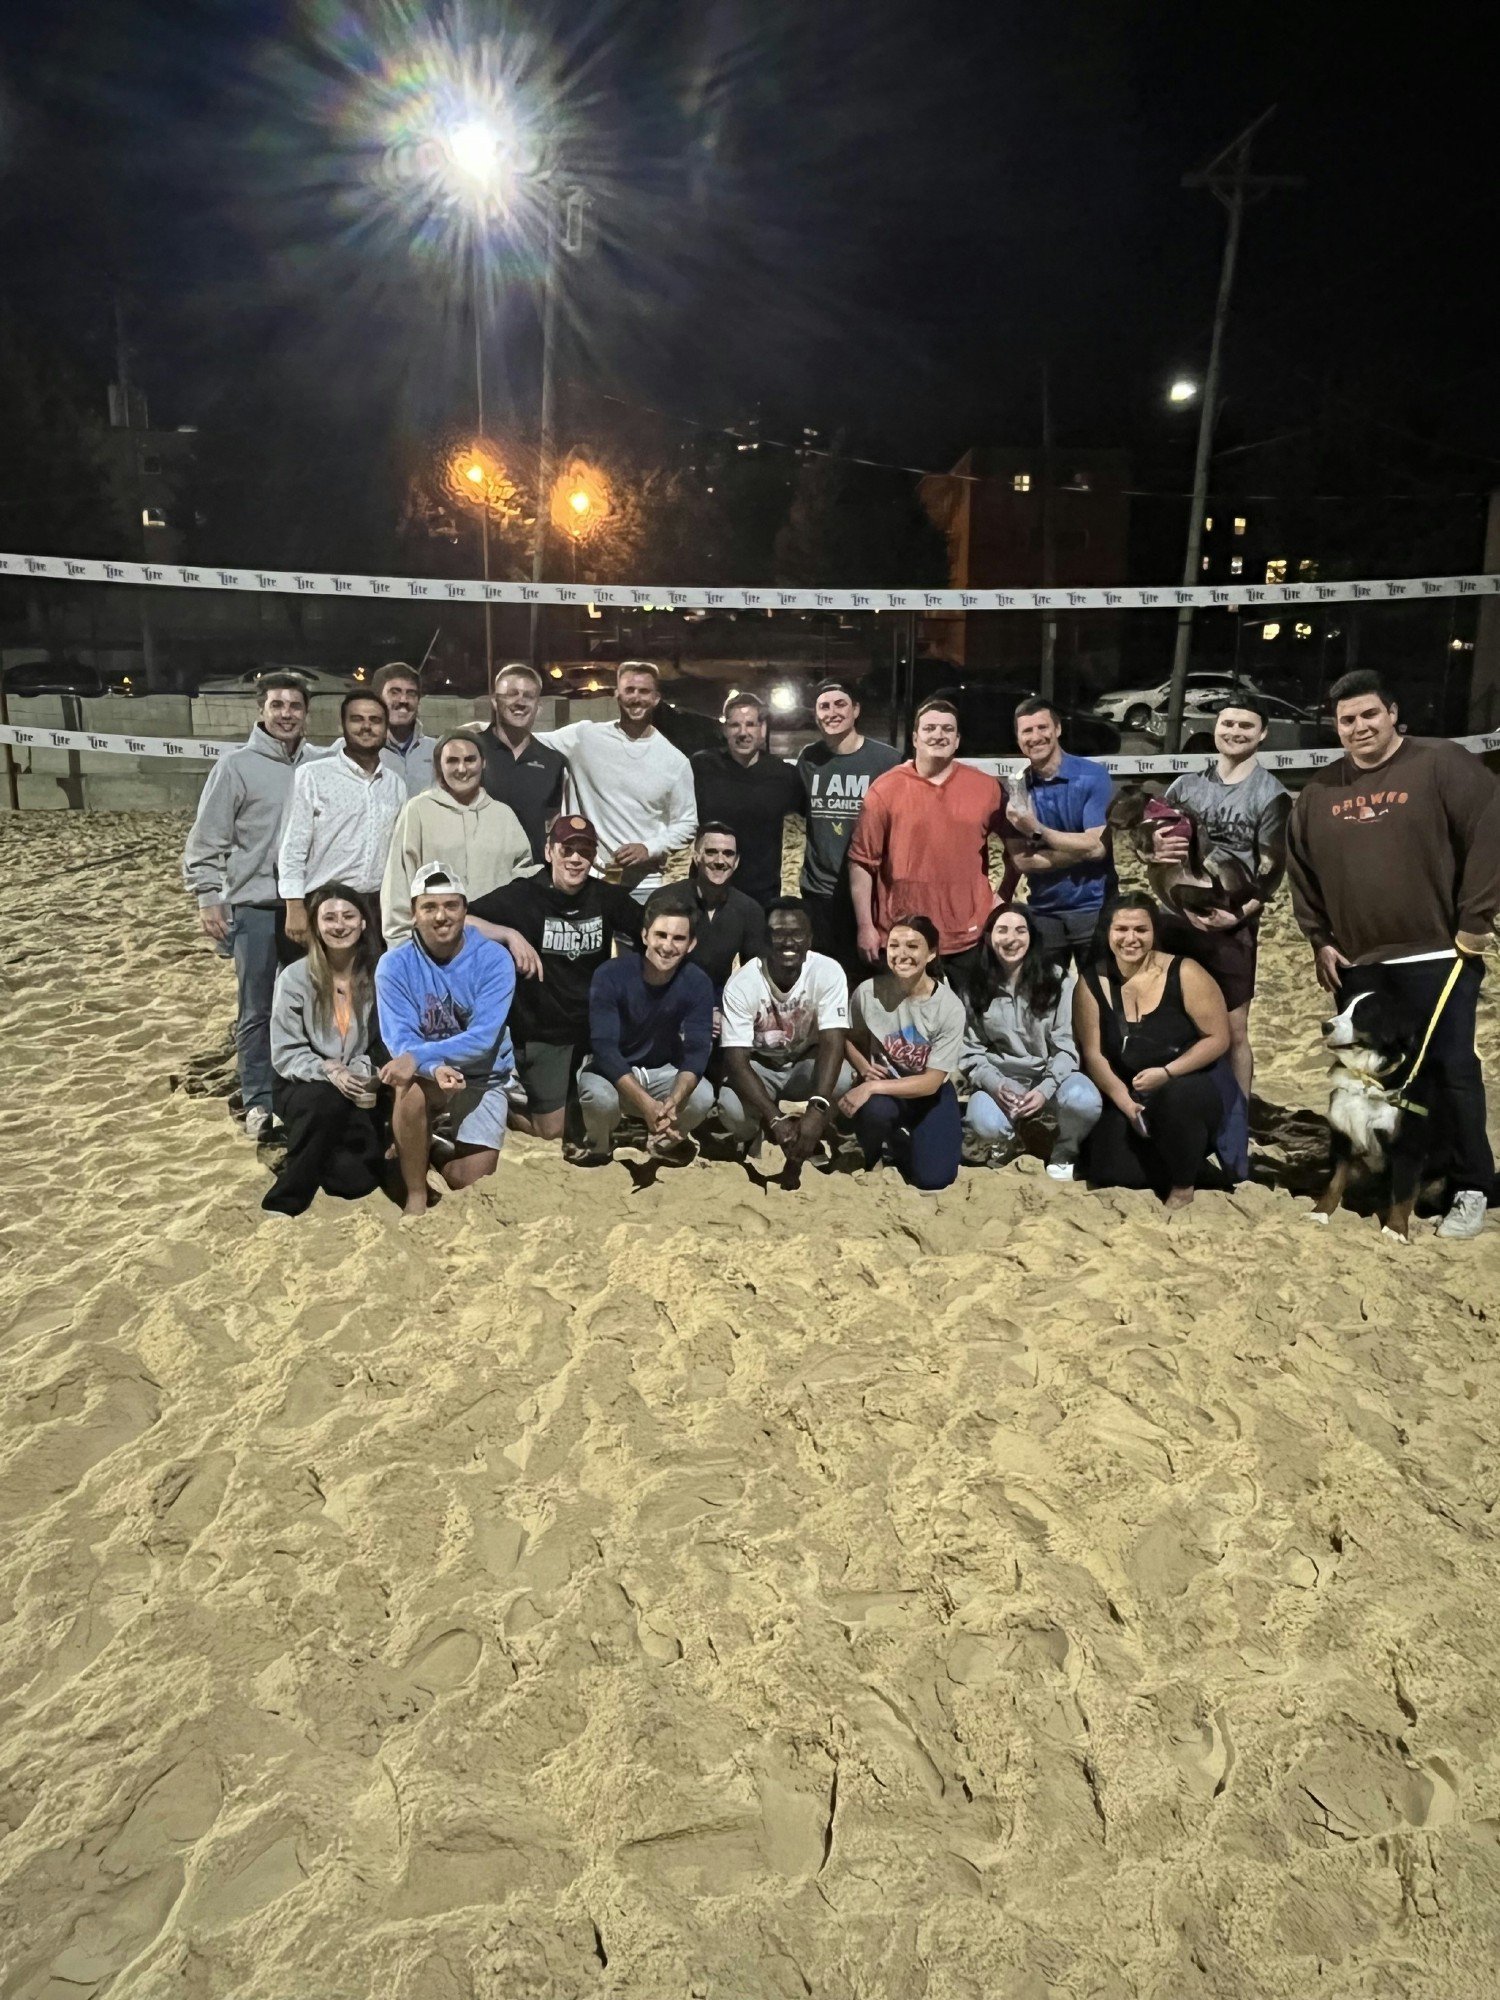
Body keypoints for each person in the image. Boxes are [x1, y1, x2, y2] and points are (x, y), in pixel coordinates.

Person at [1287, 668, 1500, 1239]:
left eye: (1369, 715)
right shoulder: (1319, 792)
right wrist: (1319, 937)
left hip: (1439, 952)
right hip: (1360, 962)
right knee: (1367, 1078)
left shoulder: (1442, 763)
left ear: (1392, 713)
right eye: (1346, 720)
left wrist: (1476, 917)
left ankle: (1472, 1184)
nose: (1359, 727)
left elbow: (1490, 831)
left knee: (1451, 1071)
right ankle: (1388, 1174)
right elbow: (1301, 872)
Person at [183, 670, 323, 1140]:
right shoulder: (236, 766)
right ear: (261, 710)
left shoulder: (319, 765)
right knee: (256, 1008)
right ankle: (259, 1099)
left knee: (306, 1003)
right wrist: (209, 897)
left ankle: (296, 1090)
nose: (286, 714)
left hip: (306, 904)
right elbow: (207, 841)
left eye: (295, 706)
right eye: (277, 705)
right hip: (256, 905)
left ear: (306, 713)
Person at [1148, 698, 1291, 1102]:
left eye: (1246, 726)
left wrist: (1237, 917)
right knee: (1171, 1021)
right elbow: (1152, 849)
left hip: (1232, 927)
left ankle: (1236, 1117)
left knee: (1233, 1030)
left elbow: (1272, 870)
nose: (1235, 732)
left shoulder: (1271, 795)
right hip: (1175, 921)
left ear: (1262, 734)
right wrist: (1152, 846)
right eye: (1227, 723)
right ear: (1216, 728)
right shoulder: (1184, 786)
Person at [467, 815, 643, 1142]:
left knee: (602, 1108)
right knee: (552, 1131)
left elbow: (651, 930)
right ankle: (500, 1097)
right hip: (543, 1031)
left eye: (585, 851)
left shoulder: (605, 897)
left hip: (592, 1028)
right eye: (567, 849)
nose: (576, 859)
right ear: (549, 852)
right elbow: (462, 918)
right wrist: (508, 934)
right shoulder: (524, 895)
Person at [374, 864, 517, 1215]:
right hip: (427, 1074)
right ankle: (416, 1194)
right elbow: (399, 1037)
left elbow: (483, 1037)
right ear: (413, 913)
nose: (441, 916)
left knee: (469, 1178)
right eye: (429, 907)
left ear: (465, 909)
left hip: (483, 1074)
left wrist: (421, 1057)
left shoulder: (494, 959)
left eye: (451, 905)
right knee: (409, 1090)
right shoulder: (393, 965)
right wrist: (433, 1065)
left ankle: (433, 1147)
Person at [848, 698, 1015, 997]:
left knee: (971, 1028)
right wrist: (866, 926)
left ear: (958, 739)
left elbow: (1016, 848)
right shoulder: (884, 789)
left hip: (969, 936)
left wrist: (1002, 899)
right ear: (914, 738)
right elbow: (862, 862)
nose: (938, 735)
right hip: (903, 935)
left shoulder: (986, 788)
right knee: (907, 1033)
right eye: (930, 728)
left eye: (947, 729)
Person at [1073, 894, 1231, 1209]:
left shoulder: (1184, 972)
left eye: (1140, 930)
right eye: (1121, 929)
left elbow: (1218, 1037)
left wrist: (1168, 1073)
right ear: (1108, 932)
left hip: (1187, 1086)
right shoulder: (1090, 983)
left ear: (1153, 932)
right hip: (1131, 1093)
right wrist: (1124, 1101)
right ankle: (1187, 1166)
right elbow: (1093, 1055)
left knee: (1177, 1098)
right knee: (1109, 1172)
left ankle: (1184, 1185)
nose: (1130, 938)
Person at [262, 882, 386, 1216]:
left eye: (348, 915)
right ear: (316, 925)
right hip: (301, 1082)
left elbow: (380, 1041)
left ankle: (295, 1146)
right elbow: (286, 1051)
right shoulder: (294, 977)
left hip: (357, 1082)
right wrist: (330, 1070)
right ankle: (287, 1198)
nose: (340, 925)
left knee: (353, 1181)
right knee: (325, 1100)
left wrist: (359, 1072)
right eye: (329, 918)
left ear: (363, 923)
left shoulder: (378, 975)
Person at [962, 903, 1102, 1179]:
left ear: (1032, 938)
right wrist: (995, 1083)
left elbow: (1066, 1046)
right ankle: (1013, 1142)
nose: (1011, 939)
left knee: (1085, 1101)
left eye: (1020, 930)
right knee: (983, 1122)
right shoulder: (974, 987)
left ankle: (1064, 1150)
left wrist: (1045, 1088)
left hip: (1052, 1075)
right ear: (989, 937)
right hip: (1003, 1080)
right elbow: (971, 1051)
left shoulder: (1059, 980)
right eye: (1002, 930)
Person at [539, 661, 697, 901]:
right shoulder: (584, 738)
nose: (636, 698)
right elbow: (527, 742)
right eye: (629, 690)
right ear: (617, 695)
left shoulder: (675, 761)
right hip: (585, 875)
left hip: (644, 883)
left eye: (644, 691)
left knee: (644, 938)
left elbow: (687, 822)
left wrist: (649, 848)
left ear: (656, 698)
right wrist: (476, 735)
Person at [576, 891, 715, 1164]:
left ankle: (662, 1139)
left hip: (662, 1070)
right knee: (598, 1097)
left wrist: (674, 1099)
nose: (667, 946)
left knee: (702, 1096)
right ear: (644, 936)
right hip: (614, 1070)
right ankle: (600, 1147)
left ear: (691, 944)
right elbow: (604, 1048)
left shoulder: (697, 982)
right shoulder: (610, 975)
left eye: (678, 938)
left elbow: (698, 1050)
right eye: (660, 935)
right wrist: (646, 1104)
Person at [717, 898, 853, 1161]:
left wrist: (818, 1108)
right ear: (764, 940)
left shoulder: (828, 971)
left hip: (803, 1063)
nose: (789, 942)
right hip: (760, 1065)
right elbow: (735, 1059)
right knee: (731, 1108)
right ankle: (757, 1131)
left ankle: (809, 1132)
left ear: (810, 939)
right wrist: (774, 1118)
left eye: (797, 934)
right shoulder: (742, 983)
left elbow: (833, 1041)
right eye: (778, 934)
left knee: (843, 1078)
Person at [842, 915, 967, 1192]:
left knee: (935, 1179)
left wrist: (872, 1086)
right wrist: (864, 1068)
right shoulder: (867, 993)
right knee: (875, 1108)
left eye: (912, 947)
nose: (902, 954)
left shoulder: (949, 1007)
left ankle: (905, 1142)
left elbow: (931, 1081)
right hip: (885, 1093)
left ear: (931, 953)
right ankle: (873, 1152)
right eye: (894, 945)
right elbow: (849, 1038)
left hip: (928, 1092)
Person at [380, 731, 534, 943]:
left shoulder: (503, 815)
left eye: (470, 760)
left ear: (484, 763)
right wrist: (400, 944)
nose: (462, 769)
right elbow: (398, 882)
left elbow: (524, 883)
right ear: (438, 766)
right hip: (434, 945)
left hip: (493, 945)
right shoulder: (418, 811)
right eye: (452, 761)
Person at [278, 692, 404, 944]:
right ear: (343, 725)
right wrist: (294, 905)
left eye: (375, 720)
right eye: (357, 719)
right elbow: (293, 845)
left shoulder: (395, 784)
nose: (367, 726)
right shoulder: (312, 776)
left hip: (375, 905)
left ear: (386, 728)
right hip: (324, 901)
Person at [795, 680, 901, 976]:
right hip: (820, 892)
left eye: (840, 704)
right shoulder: (809, 759)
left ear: (856, 710)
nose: (832, 712)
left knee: (870, 978)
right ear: (815, 715)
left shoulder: (887, 760)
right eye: (824, 706)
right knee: (826, 980)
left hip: (872, 892)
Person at [1005, 698, 1114, 967]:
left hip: (1094, 906)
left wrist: (1039, 832)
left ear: (1057, 729)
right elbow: (1022, 860)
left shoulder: (1092, 776)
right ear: (1018, 738)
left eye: (1042, 727)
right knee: (1047, 998)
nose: (1036, 737)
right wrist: (1079, 851)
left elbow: (1097, 847)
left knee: (1100, 996)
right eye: (1027, 731)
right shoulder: (1017, 788)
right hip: (1044, 908)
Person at [691, 692, 802, 907]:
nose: (743, 733)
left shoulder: (784, 775)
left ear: (763, 729)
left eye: (750, 724)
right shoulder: (702, 767)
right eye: (735, 725)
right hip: (707, 889)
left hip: (761, 894)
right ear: (725, 730)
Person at [473, 661, 569, 862]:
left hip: (532, 878)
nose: (520, 701)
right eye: (511, 694)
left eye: (528, 696)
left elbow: (552, 823)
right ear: (494, 701)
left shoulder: (552, 761)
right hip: (481, 876)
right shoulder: (473, 750)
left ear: (538, 707)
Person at [680, 822, 767, 998]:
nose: (720, 861)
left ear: (736, 862)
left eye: (728, 854)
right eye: (711, 852)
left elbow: (754, 976)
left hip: (720, 1002)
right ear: (696, 857)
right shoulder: (668, 900)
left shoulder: (749, 910)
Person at [374, 661, 435, 796]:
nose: (403, 700)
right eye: (394, 692)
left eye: (411, 693)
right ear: (378, 700)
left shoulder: (437, 751)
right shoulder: (357, 751)